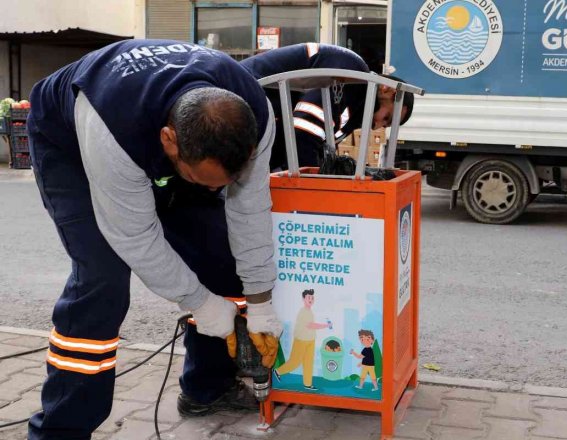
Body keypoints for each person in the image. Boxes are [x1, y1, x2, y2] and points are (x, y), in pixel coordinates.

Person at [26, 39, 283, 439]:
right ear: (169, 141)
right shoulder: (111, 125)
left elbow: (249, 211)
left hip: (163, 141)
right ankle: (61, 429)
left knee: (222, 256)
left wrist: (261, 300)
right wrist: (199, 302)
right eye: (203, 180)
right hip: (72, 143)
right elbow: (135, 236)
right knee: (103, 279)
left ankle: (206, 389)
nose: (214, 190)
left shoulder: (256, 114)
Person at [240, 43, 415, 170]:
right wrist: (316, 184)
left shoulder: (355, 104)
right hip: (241, 96)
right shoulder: (352, 76)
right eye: (386, 118)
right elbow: (303, 133)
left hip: (256, 118)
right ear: (387, 89)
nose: (377, 126)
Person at [274, 289, 330, 391]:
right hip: (301, 340)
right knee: (295, 362)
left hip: (310, 340)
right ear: (304, 299)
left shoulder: (309, 311)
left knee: (308, 363)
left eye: (312, 298)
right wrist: (325, 325)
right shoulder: (303, 312)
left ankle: (308, 384)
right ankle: (278, 371)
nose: (311, 299)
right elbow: (310, 325)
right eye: (309, 297)